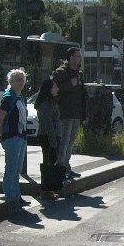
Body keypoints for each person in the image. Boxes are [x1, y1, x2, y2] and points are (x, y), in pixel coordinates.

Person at [52, 47, 86, 181]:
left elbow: (82, 95)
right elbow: (55, 91)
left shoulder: (78, 73)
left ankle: (66, 166)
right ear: (70, 57)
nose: (79, 59)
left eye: (80, 56)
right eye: (77, 56)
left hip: (76, 113)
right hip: (64, 113)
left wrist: (85, 113)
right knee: (64, 142)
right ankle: (60, 168)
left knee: (70, 142)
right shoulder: (61, 72)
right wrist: (70, 84)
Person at [0, 68, 29, 205]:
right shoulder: (8, 97)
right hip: (11, 136)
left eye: (22, 79)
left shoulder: (21, 97)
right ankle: (10, 195)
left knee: (17, 169)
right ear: (11, 82)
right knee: (11, 168)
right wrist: (1, 133)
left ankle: (16, 194)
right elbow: (0, 117)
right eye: (17, 79)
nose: (20, 82)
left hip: (21, 136)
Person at [34, 76, 63, 200]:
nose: (57, 88)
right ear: (49, 88)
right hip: (47, 136)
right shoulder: (45, 103)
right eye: (55, 86)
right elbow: (48, 124)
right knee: (48, 163)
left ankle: (48, 189)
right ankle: (45, 190)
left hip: (51, 136)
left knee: (50, 162)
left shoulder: (50, 101)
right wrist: (53, 142)